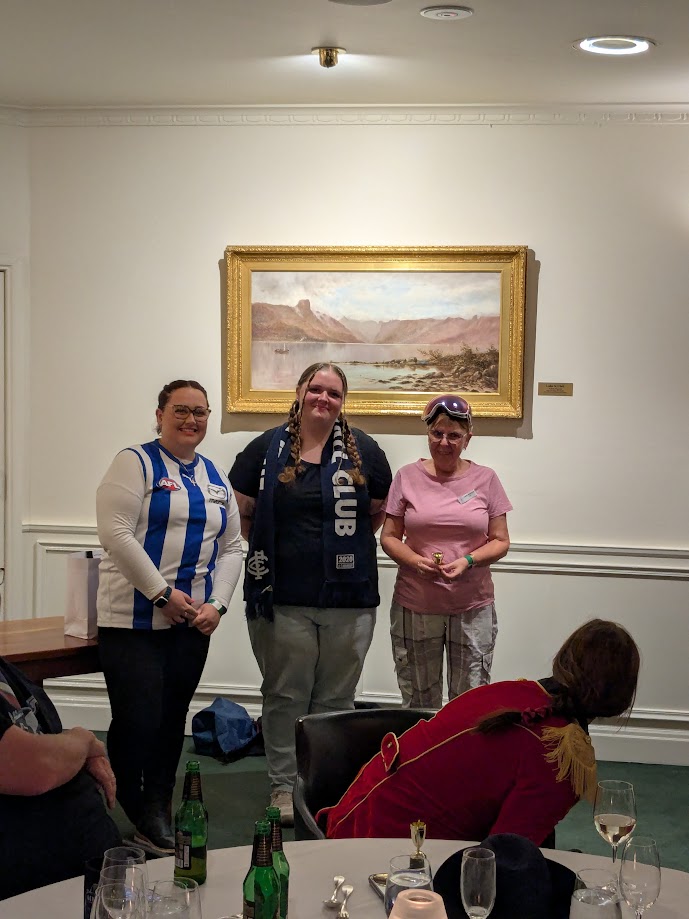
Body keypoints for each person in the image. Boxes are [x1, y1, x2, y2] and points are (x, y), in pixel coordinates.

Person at [229, 361, 392, 825]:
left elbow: (377, 512)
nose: (324, 398)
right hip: (283, 597)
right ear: (300, 392)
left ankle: (323, 783)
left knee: (336, 700)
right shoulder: (264, 449)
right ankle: (284, 786)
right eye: (316, 389)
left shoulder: (366, 451)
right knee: (285, 694)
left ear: (343, 402)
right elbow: (243, 513)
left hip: (350, 599)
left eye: (334, 393)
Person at [320, 619, 640, 845]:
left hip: (353, 818)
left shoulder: (518, 692)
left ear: (565, 659)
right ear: (621, 696)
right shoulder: (562, 755)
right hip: (378, 854)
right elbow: (505, 859)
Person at [96, 379, 243, 855]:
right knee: (138, 720)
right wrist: (161, 594)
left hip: (191, 626)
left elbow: (233, 547)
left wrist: (218, 604)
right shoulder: (134, 462)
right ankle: (132, 804)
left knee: (170, 719)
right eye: (180, 410)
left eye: (200, 412)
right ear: (160, 414)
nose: (191, 420)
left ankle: (157, 806)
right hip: (133, 622)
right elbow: (115, 533)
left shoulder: (214, 475)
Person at [381, 394, 511, 708]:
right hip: (416, 604)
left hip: (472, 606)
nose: (444, 442)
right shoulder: (407, 476)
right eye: (437, 433)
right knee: (419, 700)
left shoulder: (486, 479)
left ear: (468, 439)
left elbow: (500, 540)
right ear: (427, 434)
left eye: (454, 435)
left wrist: (469, 560)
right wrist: (415, 561)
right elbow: (389, 537)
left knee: (469, 701)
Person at [0, 654, 120, 900]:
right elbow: (36, 767)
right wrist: (84, 741)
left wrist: (74, 752)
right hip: (31, 889)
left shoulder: (7, 672)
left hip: (84, 869)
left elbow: (40, 738)